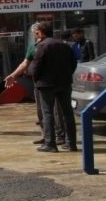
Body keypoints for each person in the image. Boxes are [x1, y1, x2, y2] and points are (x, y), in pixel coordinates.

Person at [31, 21, 78, 152]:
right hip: (64, 83)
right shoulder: (65, 46)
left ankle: (50, 144)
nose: (35, 35)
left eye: (36, 33)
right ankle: (71, 144)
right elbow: (73, 64)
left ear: (41, 32)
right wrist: (67, 76)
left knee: (48, 114)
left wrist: (37, 80)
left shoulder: (42, 46)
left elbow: (36, 67)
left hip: (46, 85)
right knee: (67, 113)